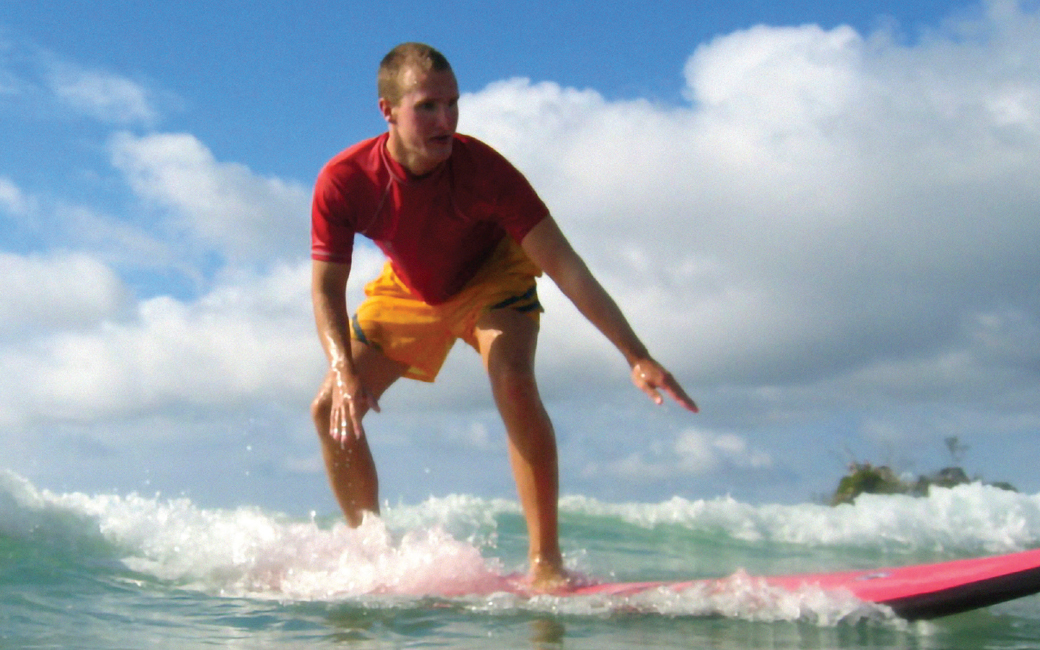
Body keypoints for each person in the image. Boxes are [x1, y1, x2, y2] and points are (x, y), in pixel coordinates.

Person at [310, 42, 698, 591]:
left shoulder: (485, 172)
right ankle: (374, 557)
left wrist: (635, 354)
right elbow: (326, 286)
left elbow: (564, 264)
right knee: (331, 407)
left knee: (512, 380)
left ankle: (546, 564)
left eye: (453, 104)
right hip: (411, 289)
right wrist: (344, 368)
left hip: (493, 278)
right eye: (427, 107)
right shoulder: (345, 179)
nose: (445, 121)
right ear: (388, 110)